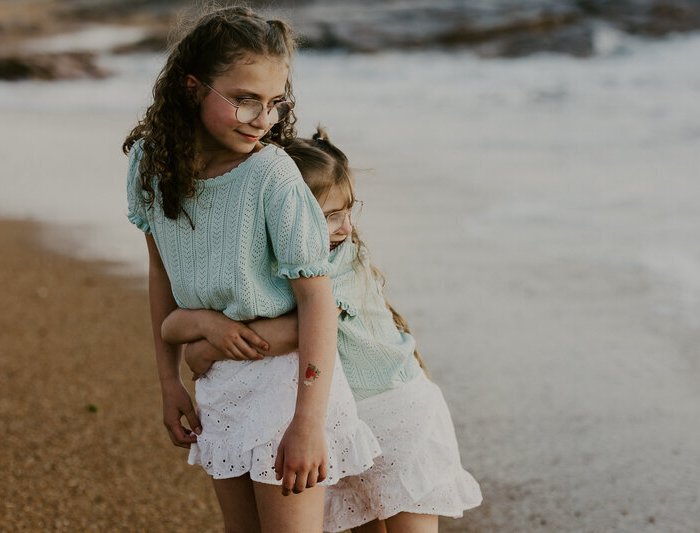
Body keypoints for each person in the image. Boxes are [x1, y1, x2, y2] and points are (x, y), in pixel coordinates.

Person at [123, 8, 379, 533]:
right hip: (217, 379)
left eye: (275, 103)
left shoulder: (273, 178)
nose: (263, 119)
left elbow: (317, 301)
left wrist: (308, 425)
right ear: (193, 88)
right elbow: (160, 273)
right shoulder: (151, 163)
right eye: (244, 100)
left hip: (288, 387)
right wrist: (168, 381)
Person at [163, 128, 483, 533]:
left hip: (397, 416)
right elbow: (173, 326)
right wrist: (206, 325)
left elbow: (298, 331)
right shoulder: (279, 273)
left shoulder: (338, 264)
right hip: (345, 423)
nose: (347, 227)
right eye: (331, 216)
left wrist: (207, 350)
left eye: (349, 211)